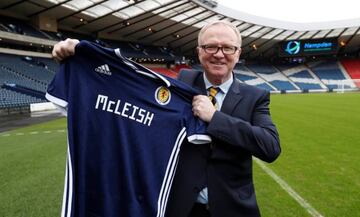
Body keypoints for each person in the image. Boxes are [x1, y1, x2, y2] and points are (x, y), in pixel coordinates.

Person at [52, 20, 281, 217]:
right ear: (199, 51)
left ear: (238, 53)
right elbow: (132, 78)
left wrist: (215, 118)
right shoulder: (182, 83)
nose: (219, 54)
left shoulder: (255, 97)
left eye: (227, 48)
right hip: (181, 208)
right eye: (211, 47)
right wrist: (83, 51)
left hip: (233, 209)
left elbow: (270, 146)